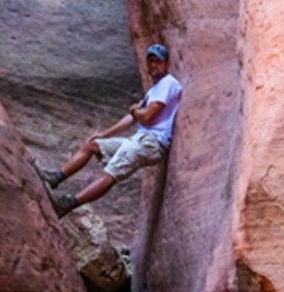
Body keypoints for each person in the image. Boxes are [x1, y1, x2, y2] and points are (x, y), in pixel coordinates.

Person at [35, 43, 182, 218]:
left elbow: (148, 116)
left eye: (158, 61)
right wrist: (105, 135)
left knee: (110, 173)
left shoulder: (168, 83)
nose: (153, 65)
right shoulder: (154, 90)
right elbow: (132, 118)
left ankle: (66, 205)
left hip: (151, 143)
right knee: (92, 145)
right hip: (141, 139)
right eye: (150, 61)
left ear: (166, 64)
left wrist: (135, 110)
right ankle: (55, 178)